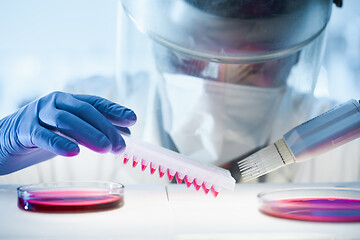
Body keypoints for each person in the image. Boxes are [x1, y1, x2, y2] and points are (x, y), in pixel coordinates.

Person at [1, 0, 359, 184]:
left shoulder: (346, 151)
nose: (218, 88)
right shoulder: (75, 135)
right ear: (160, 44)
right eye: (193, 59)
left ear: (295, 55)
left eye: (255, 66)